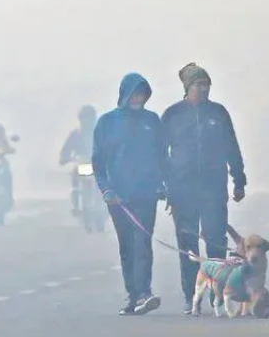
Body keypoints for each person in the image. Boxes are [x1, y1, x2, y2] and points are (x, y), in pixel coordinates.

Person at [161, 62, 248, 315]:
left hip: (213, 187)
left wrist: (239, 179)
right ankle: (191, 296)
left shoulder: (219, 113)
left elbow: (232, 147)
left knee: (215, 244)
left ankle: (217, 295)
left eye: (207, 85)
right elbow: (159, 153)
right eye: (199, 85)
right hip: (182, 189)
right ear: (188, 87)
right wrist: (165, 185)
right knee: (188, 247)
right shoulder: (172, 115)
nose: (204, 89)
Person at [92, 72, 167, 316]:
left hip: (146, 194)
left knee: (142, 242)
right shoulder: (107, 123)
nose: (139, 98)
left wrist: (163, 185)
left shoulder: (152, 120)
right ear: (124, 94)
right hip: (118, 198)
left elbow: (161, 157)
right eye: (134, 93)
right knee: (127, 246)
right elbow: (98, 161)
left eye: (142, 93)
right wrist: (106, 189)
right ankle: (133, 297)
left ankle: (145, 292)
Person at [59, 104, 98, 215]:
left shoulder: (101, 133)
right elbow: (65, 151)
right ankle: (76, 203)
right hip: (81, 164)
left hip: (98, 165)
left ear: (93, 119)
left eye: (89, 118)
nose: (86, 121)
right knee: (74, 177)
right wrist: (64, 158)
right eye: (84, 118)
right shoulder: (74, 134)